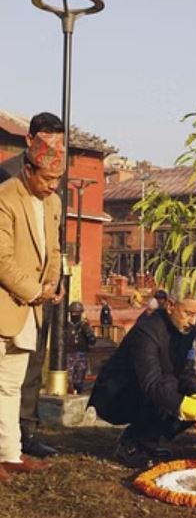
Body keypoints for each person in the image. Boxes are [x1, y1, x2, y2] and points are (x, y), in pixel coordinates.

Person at [89, 280, 196, 468]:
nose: (193, 321)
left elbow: (187, 373)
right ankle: (133, 444)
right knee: (169, 390)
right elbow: (152, 384)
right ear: (171, 305)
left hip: (157, 388)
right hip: (119, 395)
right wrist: (195, 409)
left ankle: (151, 441)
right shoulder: (147, 331)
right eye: (188, 314)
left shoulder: (187, 332)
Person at [0, 112, 67, 480]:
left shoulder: (53, 202)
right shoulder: (5, 197)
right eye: (48, 178)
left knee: (10, 385)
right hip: (7, 304)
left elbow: (54, 249)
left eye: (58, 179)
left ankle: (9, 454)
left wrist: (51, 284)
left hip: (30, 309)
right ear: (28, 168)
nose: (53, 186)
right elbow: (2, 258)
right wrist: (33, 291)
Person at [65, 301, 97, 394]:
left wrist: (87, 331)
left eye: (77, 313)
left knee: (79, 380)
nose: (75, 315)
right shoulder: (67, 326)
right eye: (73, 312)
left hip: (81, 354)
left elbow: (92, 340)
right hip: (69, 354)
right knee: (69, 380)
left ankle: (78, 392)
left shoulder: (84, 326)